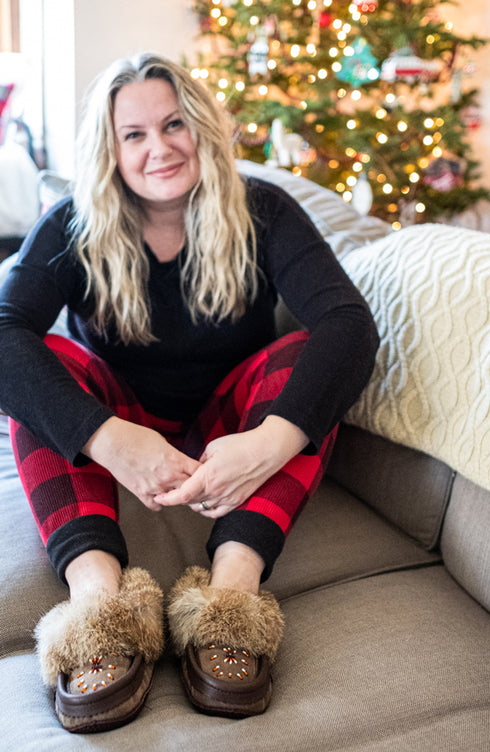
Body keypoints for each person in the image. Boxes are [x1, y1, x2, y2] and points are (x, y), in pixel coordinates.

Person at [0, 52, 379, 732]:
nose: (160, 148)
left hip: (230, 420)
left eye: (174, 123)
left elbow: (347, 326)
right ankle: (99, 604)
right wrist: (110, 439)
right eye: (135, 134)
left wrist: (269, 442)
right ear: (110, 150)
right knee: (42, 363)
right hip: (119, 417)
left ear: (201, 126)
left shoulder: (265, 210)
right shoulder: (71, 224)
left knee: (302, 357)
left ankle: (231, 594)